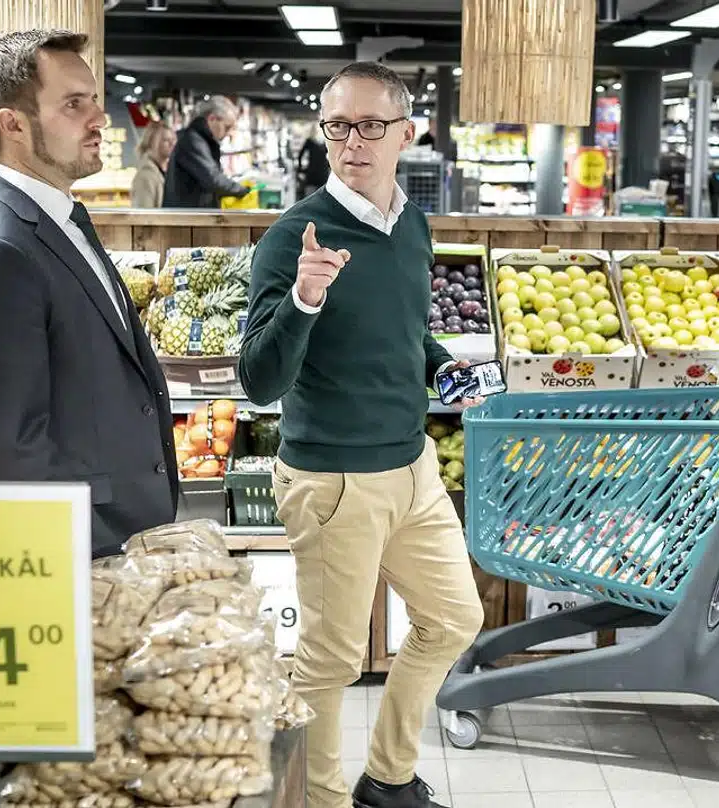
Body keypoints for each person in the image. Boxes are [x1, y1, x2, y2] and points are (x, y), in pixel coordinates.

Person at [238, 61, 485, 808]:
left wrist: (442, 366)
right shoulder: (293, 239)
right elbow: (258, 382)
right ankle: (318, 801)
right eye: (339, 125)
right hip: (333, 481)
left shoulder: (412, 222)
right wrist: (306, 298)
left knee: (454, 619)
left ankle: (387, 777)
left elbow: (409, 331)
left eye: (372, 125)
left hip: (412, 469)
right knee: (330, 662)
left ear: (407, 134)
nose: (354, 141)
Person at [0, 29, 178, 557]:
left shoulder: (59, 219)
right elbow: (11, 450)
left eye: (93, 99)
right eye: (74, 104)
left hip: (119, 539)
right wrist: (75, 570)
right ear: (12, 123)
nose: (99, 118)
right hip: (76, 551)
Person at [162, 95, 250, 208]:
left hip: (190, 217)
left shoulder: (200, 140)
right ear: (212, 119)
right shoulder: (193, 141)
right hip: (187, 219)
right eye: (227, 127)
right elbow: (212, 179)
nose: (228, 133)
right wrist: (242, 190)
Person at [131, 121, 175, 208]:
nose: (172, 144)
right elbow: (143, 215)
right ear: (152, 142)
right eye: (166, 140)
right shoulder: (146, 176)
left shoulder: (167, 170)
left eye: (173, 140)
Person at [296, 133, 330, 198]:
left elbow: (300, 155)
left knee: (309, 199)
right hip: (322, 174)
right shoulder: (325, 141)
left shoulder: (310, 141)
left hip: (313, 174)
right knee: (321, 199)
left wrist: (300, 169)